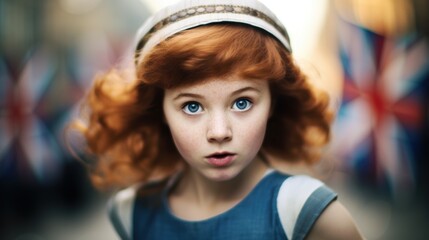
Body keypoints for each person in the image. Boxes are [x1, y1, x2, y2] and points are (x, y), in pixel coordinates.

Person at [72, 0, 364, 239]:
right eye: (192, 107)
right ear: (160, 110)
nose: (219, 132)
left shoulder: (309, 213)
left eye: (242, 102)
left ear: (273, 103)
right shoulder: (132, 212)